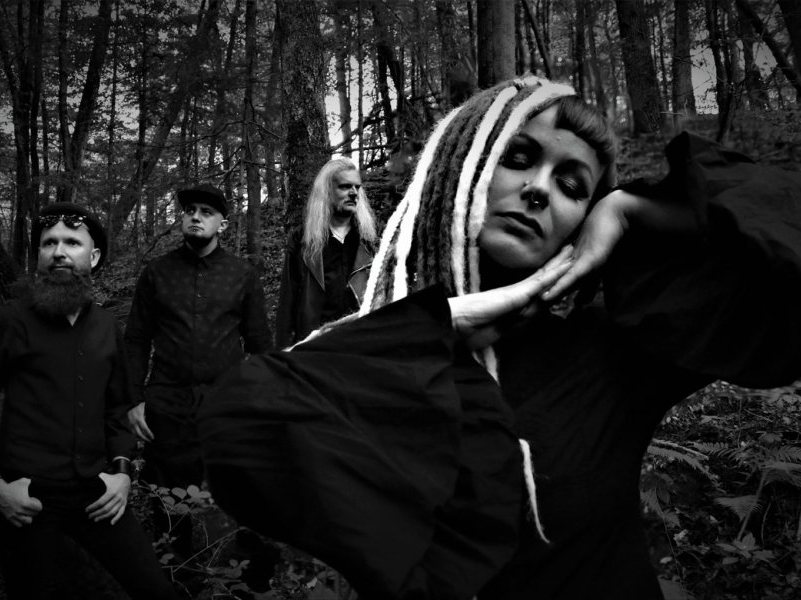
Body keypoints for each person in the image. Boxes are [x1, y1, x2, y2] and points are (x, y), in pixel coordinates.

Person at [198, 77, 801, 600]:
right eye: (518, 158)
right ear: (458, 167)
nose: (540, 189)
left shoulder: (611, 350)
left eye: (573, 186)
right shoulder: (386, 355)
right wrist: (447, 320)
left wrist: (627, 209)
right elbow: (241, 432)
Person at [0, 203, 179, 600]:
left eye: (72, 242)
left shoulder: (106, 327)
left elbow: (119, 409)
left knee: (155, 591)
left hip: (95, 493)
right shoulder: (10, 321)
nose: (59, 252)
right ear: (38, 255)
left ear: (93, 256)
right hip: (27, 498)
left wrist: (122, 473)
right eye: (49, 243)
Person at [124, 184, 272, 553]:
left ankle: (235, 571)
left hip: (225, 400)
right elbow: (137, 339)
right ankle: (176, 572)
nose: (196, 216)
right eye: (190, 210)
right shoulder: (157, 273)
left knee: (233, 489)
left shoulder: (242, 274)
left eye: (206, 212)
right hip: (168, 400)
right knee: (167, 496)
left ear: (223, 223)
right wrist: (134, 399)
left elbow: (259, 342)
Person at [275, 157, 377, 347]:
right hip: (316, 347)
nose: (354, 193)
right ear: (327, 192)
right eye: (345, 187)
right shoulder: (302, 241)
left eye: (357, 187)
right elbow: (287, 305)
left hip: (362, 345)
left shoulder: (368, 241)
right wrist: (284, 353)